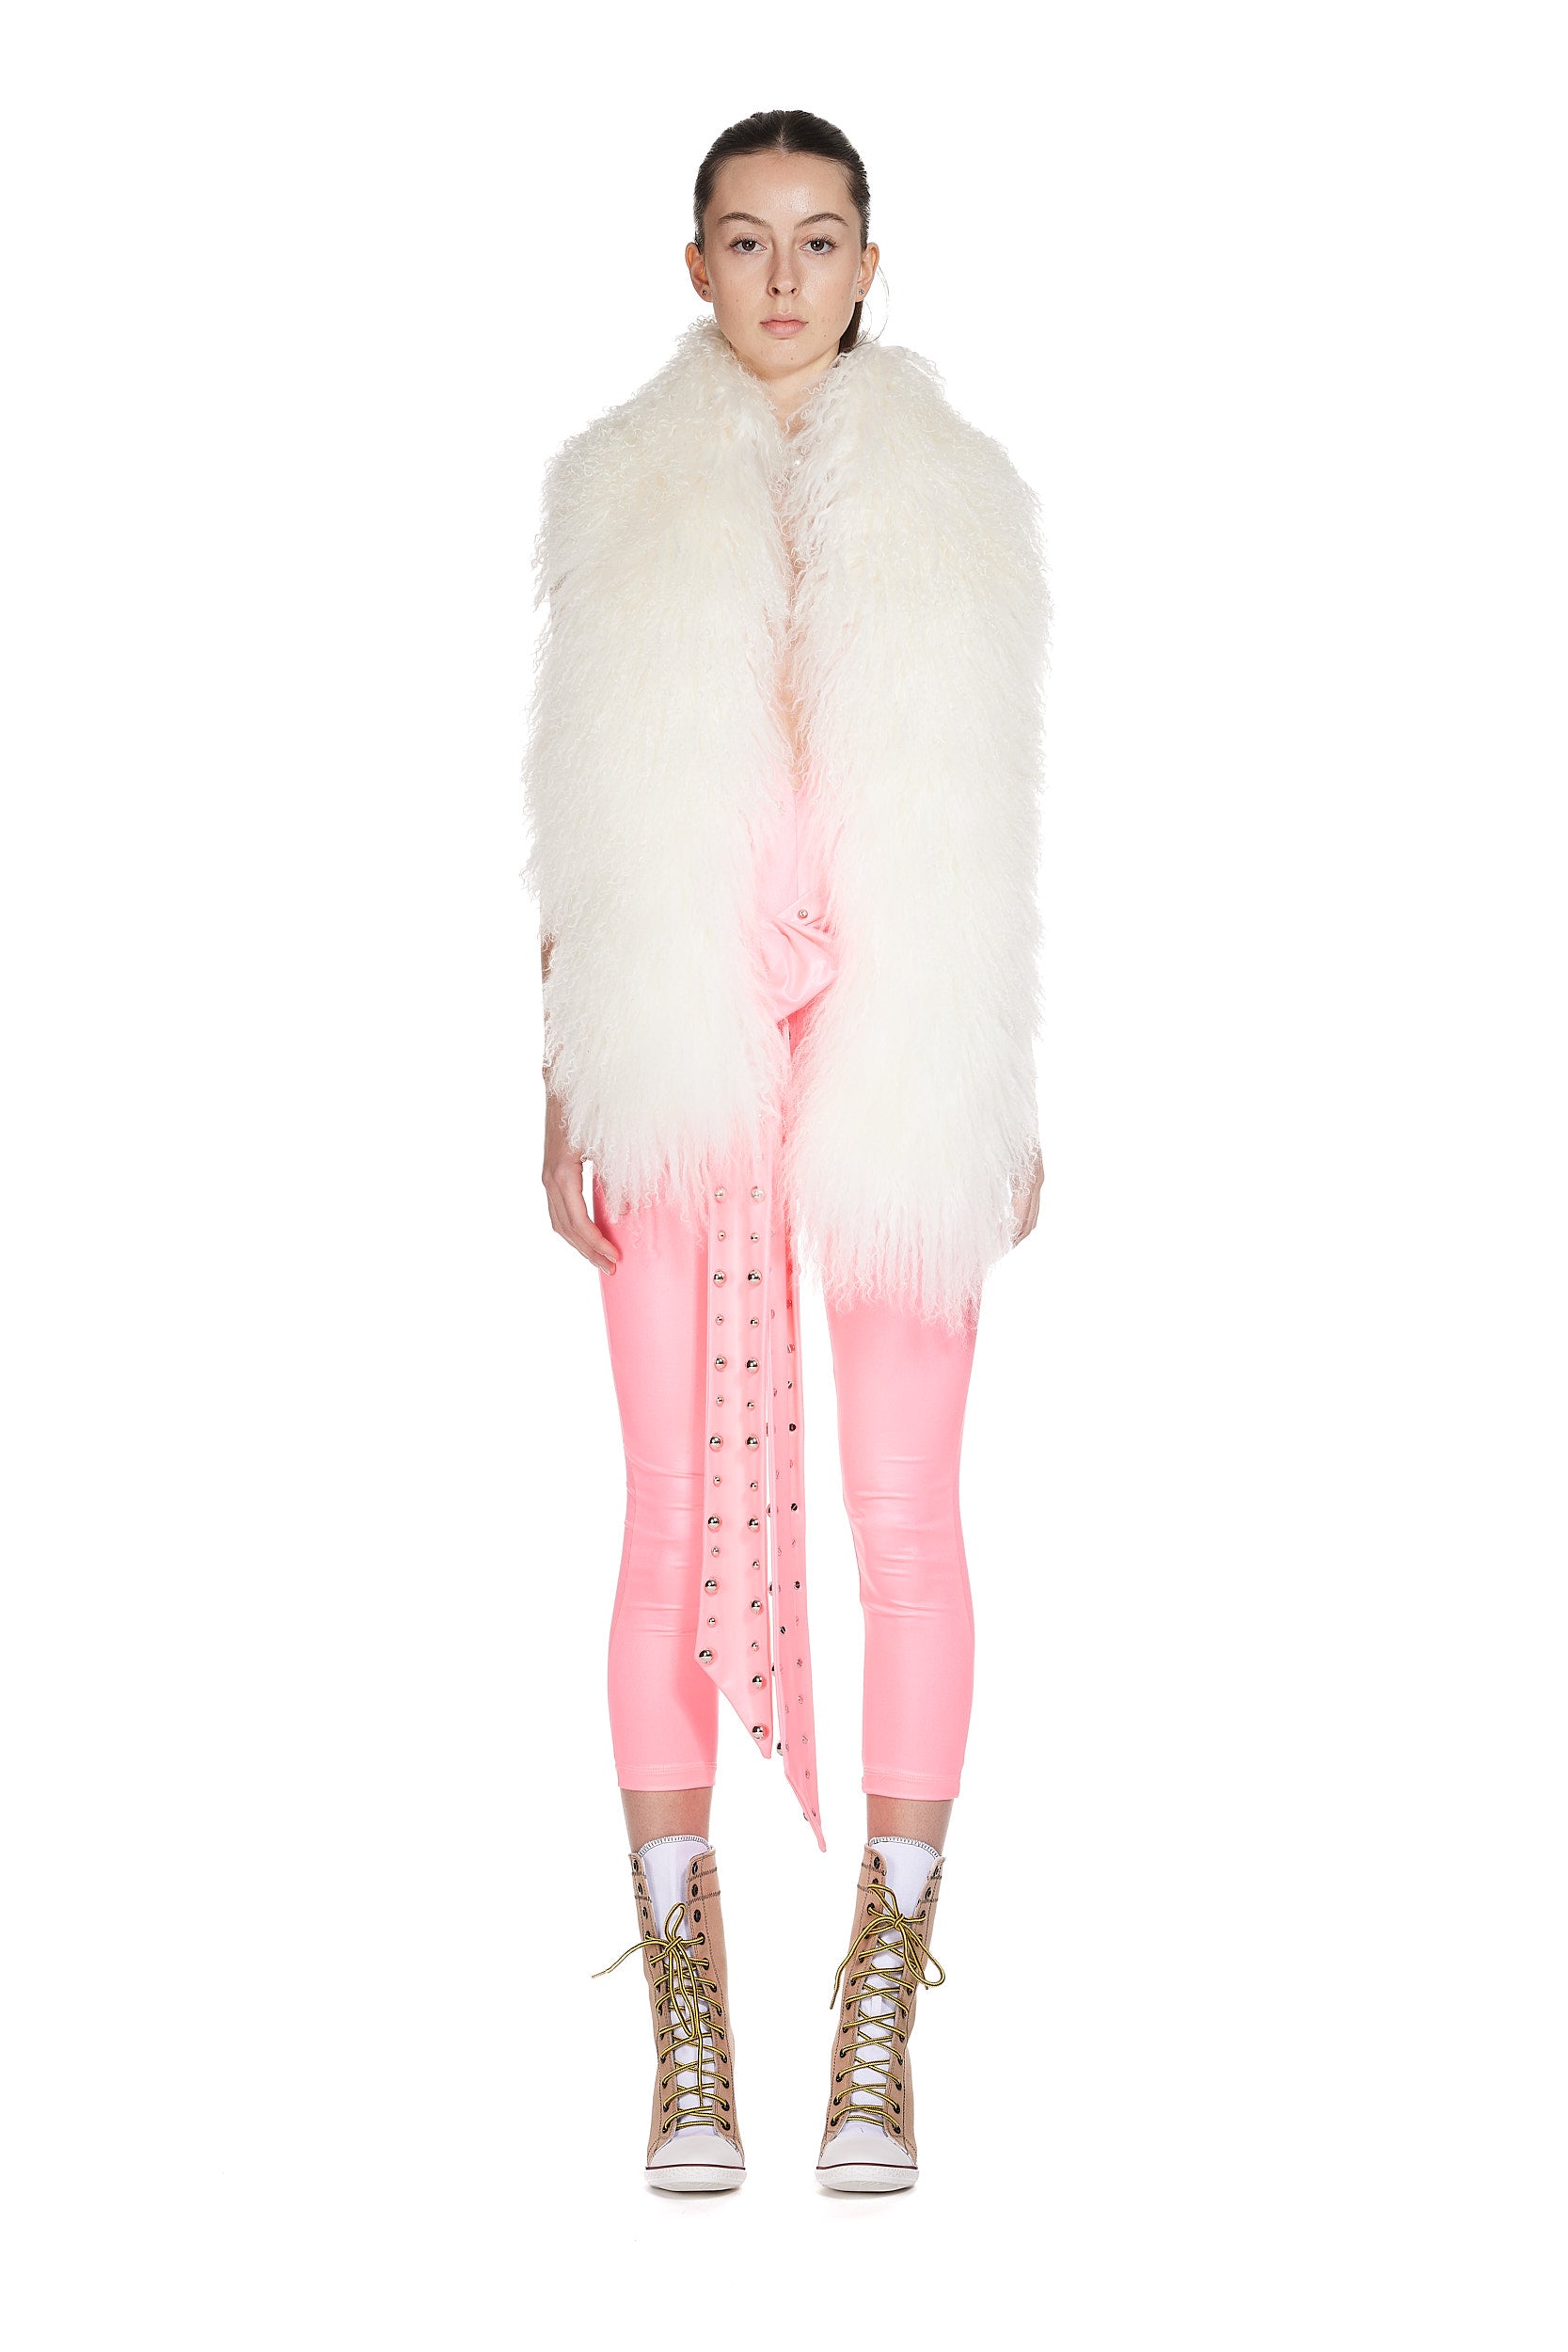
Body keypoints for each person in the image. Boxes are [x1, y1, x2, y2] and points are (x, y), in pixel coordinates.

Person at [522, 108, 1049, 2194]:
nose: (782, 279)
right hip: (686, 1034)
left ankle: (878, 2018)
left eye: (819, 241)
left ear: (869, 261)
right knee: (661, 1521)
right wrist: (567, 1066)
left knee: (911, 1522)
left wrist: (1002, 1082)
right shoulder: (618, 492)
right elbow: (583, 805)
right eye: (745, 242)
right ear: (694, 265)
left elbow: (986, 825)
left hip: (896, 1044)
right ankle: (688, 2031)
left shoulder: (962, 499)